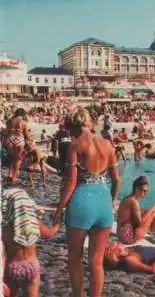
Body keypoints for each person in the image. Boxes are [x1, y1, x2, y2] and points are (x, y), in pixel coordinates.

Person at [52, 107, 121, 297]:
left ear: (72, 127)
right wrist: (112, 200)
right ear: (90, 123)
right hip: (103, 202)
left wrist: (59, 208)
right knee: (97, 262)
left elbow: (71, 181)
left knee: (74, 259)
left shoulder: (75, 145)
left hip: (82, 202)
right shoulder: (107, 144)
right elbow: (116, 179)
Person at [2, 188, 60, 297]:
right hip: (31, 266)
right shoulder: (33, 221)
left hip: (12, 267)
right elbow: (49, 233)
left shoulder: (5, 227)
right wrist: (56, 224)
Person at [117, 176, 155, 246]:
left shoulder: (127, 198)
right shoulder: (134, 202)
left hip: (122, 234)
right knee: (154, 210)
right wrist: (150, 212)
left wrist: (148, 213)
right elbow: (140, 224)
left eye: (146, 191)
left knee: (149, 211)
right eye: (141, 190)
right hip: (128, 238)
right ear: (135, 188)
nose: (143, 193)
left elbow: (133, 218)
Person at [3, 108, 29, 183]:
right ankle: (14, 177)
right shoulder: (23, 122)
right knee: (18, 159)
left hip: (9, 140)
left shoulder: (10, 121)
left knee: (11, 158)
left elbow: (6, 132)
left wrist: (4, 142)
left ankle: (10, 174)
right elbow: (26, 134)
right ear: (23, 114)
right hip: (19, 140)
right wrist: (29, 142)